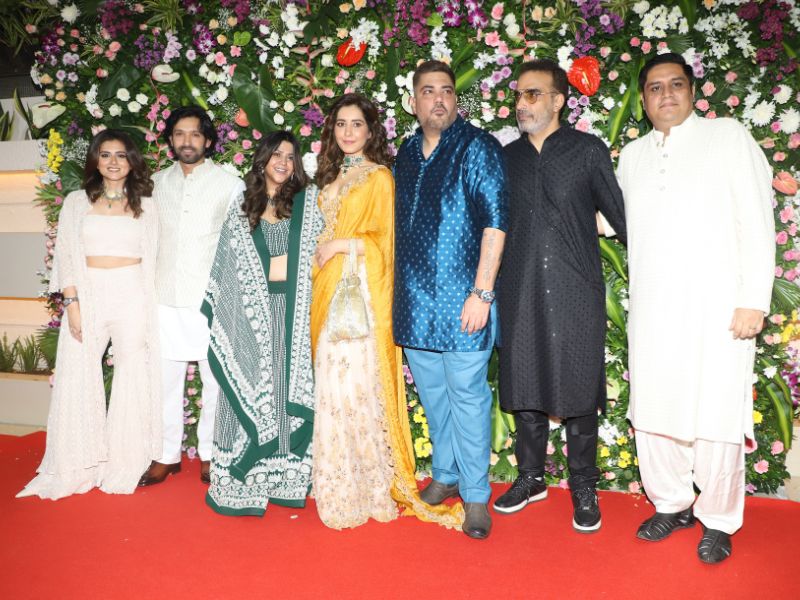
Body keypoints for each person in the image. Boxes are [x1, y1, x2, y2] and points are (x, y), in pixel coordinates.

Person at [617, 53, 774, 563]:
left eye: (675, 84)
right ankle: (672, 503)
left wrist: (754, 300)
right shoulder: (633, 156)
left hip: (717, 309)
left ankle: (719, 519)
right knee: (655, 411)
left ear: (692, 91)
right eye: (654, 87)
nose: (666, 94)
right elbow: (611, 219)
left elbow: (757, 218)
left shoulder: (726, 137)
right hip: (653, 309)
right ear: (643, 100)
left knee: (715, 415)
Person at [310, 93, 462, 531]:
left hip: (358, 294)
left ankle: (368, 483)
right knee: (332, 387)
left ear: (370, 130)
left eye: (357, 124)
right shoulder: (331, 174)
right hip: (326, 289)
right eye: (341, 124)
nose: (348, 132)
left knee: (355, 384)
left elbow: (385, 241)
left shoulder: (378, 177)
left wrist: (339, 246)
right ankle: (338, 479)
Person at [493, 59, 627, 534]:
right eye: (518, 94)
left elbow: (623, 217)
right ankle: (531, 477)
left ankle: (583, 485)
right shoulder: (506, 158)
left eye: (533, 94)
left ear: (558, 100)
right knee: (524, 381)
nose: (522, 103)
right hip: (519, 287)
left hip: (576, 288)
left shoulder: (587, 151)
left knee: (578, 387)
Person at [393, 61, 508, 539]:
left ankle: (476, 496)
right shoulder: (405, 153)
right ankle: (445, 475)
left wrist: (482, 293)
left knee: (468, 398)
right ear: (413, 102)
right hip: (415, 304)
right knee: (435, 398)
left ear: (455, 100)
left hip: (464, 303)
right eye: (428, 91)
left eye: (445, 91)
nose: (438, 99)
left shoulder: (478, 147)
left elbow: (496, 223)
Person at [17, 129, 161, 500]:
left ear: (132, 161)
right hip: (89, 293)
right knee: (77, 373)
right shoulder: (76, 202)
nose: (113, 162)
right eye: (106, 154)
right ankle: (77, 464)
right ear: (95, 160)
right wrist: (73, 305)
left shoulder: (147, 203)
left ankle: (125, 461)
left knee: (133, 374)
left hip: (133, 294)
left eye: (121, 155)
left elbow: (156, 258)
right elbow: (66, 255)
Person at [202, 131, 322, 515]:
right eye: (276, 155)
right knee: (252, 385)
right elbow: (227, 267)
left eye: (290, 156)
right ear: (263, 160)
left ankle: (286, 479)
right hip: (252, 316)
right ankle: (244, 480)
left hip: (295, 313)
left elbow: (321, 252)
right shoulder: (242, 208)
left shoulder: (308, 203)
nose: (283, 162)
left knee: (287, 390)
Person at [139, 106, 245, 486]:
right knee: (164, 381)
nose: (187, 141)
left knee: (214, 382)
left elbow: (239, 244)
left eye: (195, 134)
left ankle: (211, 454)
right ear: (170, 139)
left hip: (209, 298)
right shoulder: (154, 184)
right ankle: (166, 455)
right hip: (163, 295)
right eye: (180, 134)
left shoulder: (230, 184)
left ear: (208, 140)